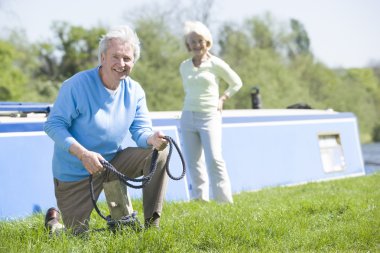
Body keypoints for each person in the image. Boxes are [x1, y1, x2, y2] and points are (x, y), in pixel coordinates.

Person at [43, 25, 169, 234]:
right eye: (115, 57)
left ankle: (151, 227)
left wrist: (152, 138)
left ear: (133, 62)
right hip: (75, 173)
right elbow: (53, 125)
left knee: (160, 153)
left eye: (127, 59)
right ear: (102, 58)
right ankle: (53, 224)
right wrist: (83, 154)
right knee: (75, 238)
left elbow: (140, 130)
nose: (121, 64)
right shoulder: (76, 85)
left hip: (112, 164)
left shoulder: (135, 90)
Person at [179, 21, 243, 203]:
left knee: (215, 159)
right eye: (192, 41)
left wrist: (222, 99)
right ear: (188, 44)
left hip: (209, 116)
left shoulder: (216, 63)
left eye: (200, 40)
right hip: (188, 116)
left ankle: (224, 201)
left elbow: (236, 82)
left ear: (207, 42)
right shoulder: (184, 66)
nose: (196, 44)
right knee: (193, 162)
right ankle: (200, 200)